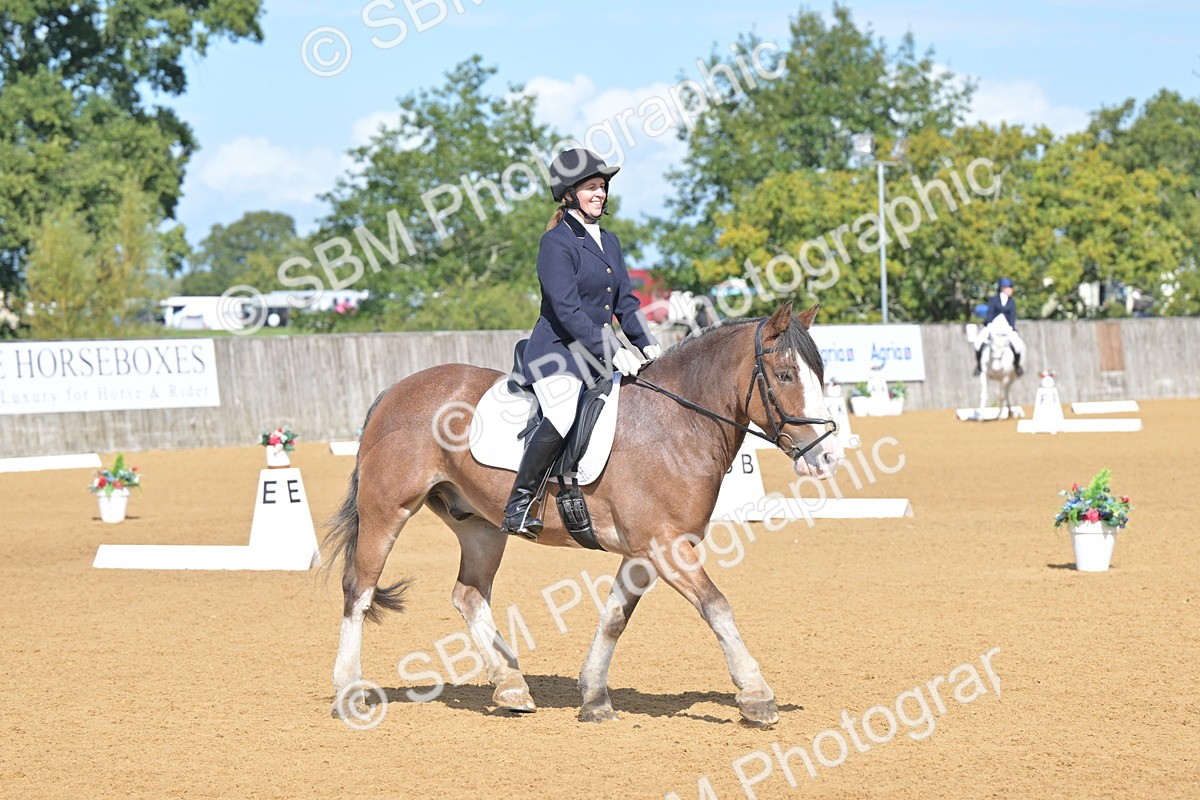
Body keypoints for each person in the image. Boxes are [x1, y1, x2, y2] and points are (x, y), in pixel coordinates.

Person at [500, 148, 662, 539]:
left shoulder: (610, 241)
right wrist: (613, 348)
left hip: (597, 354)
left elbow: (625, 301)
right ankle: (520, 504)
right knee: (562, 412)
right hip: (557, 353)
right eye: (592, 186)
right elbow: (568, 310)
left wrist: (646, 343)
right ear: (569, 193)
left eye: (602, 187)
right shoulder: (556, 243)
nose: (600, 193)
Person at [973, 277, 1025, 376]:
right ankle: (979, 366)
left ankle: (1017, 366)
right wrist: (989, 325)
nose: (1011, 290)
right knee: (978, 343)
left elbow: (1012, 316)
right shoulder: (993, 300)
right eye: (1010, 288)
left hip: (1006, 328)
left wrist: (1011, 327)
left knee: (1018, 346)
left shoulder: (1012, 302)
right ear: (1003, 288)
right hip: (993, 326)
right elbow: (990, 313)